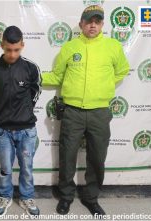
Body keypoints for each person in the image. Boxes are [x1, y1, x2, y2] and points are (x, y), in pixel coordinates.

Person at [42, 5, 129, 217]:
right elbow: (56, 76)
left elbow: (122, 71)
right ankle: (66, 197)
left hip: (100, 112)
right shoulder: (70, 47)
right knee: (67, 155)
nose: (92, 25)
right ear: (81, 24)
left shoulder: (112, 46)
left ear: (102, 24)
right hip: (73, 112)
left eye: (97, 21)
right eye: (89, 21)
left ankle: (91, 198)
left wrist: (105, 86)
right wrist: (32, 78)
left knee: (97, 157)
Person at [0, 26, 42, 216]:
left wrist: (25, 111)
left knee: (26, 168)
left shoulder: (30, 67)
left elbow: (36, 92)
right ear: (2, 45)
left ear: (22, 46)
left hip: (26, 130)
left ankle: (26, 197)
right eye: (8, 49)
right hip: (2, 129)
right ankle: (5, 195)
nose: (12, 54)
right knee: (5, 168)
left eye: (17, 50)